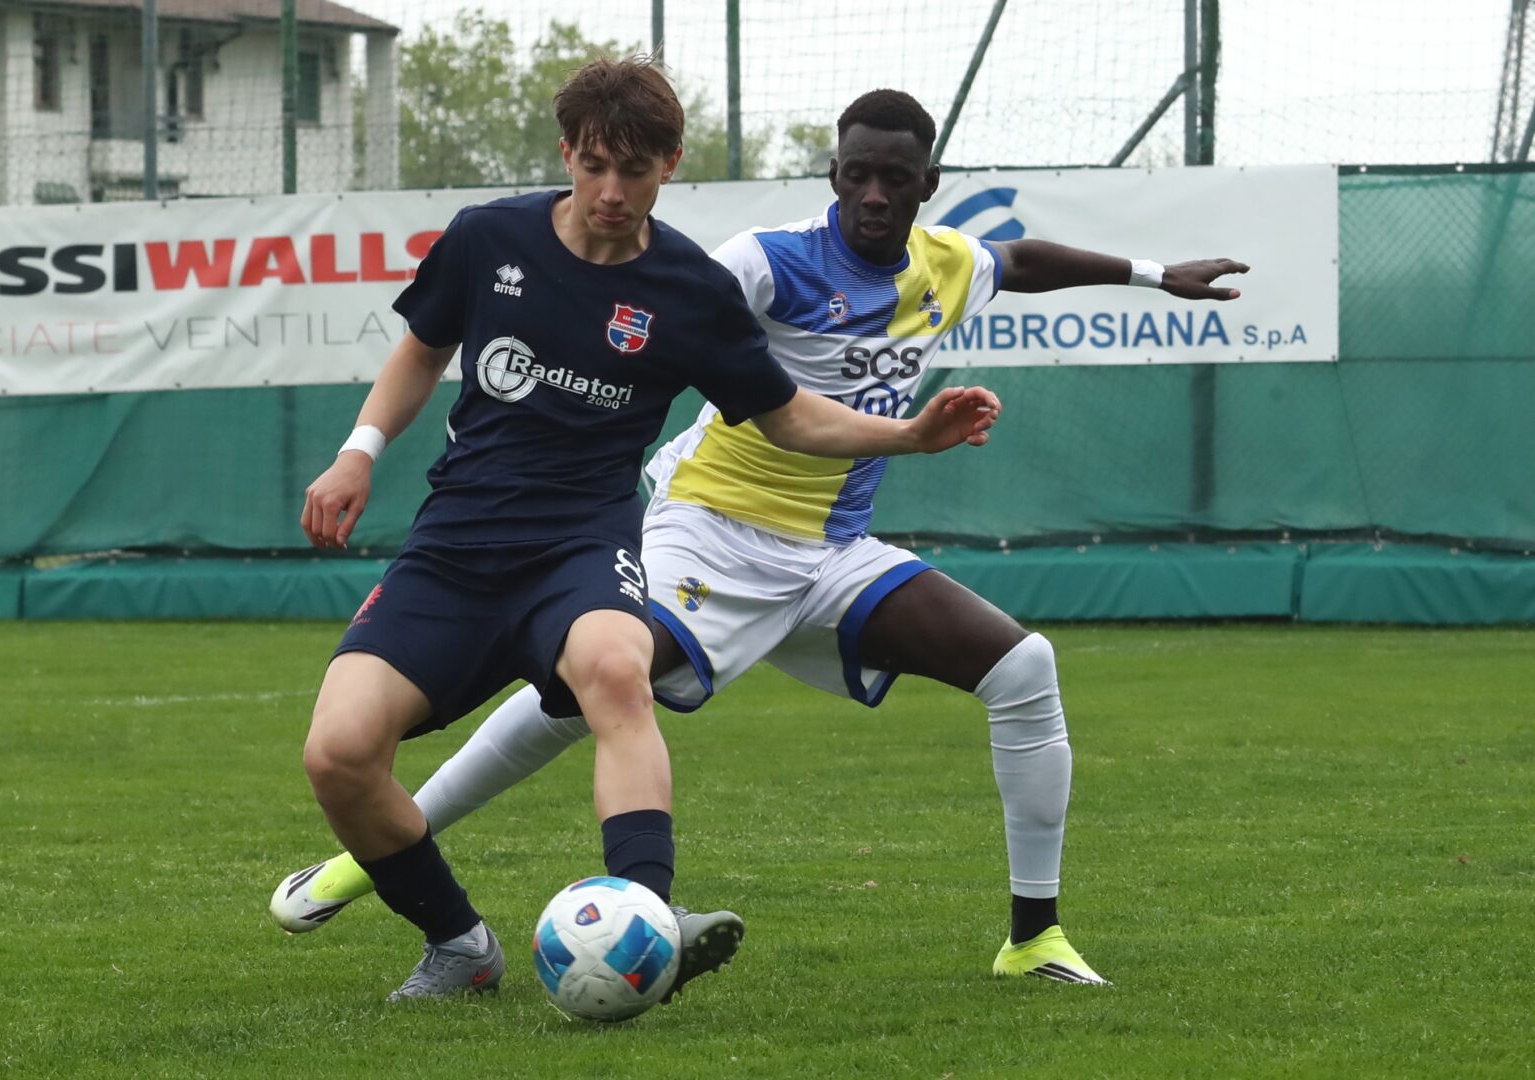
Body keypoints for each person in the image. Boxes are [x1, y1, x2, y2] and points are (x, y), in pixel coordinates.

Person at [275, 87, 1244, 989]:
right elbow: (498, 340)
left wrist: (1156, 276)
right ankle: (378, 857)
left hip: (834, 552)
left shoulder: (941, 264)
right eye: (857, 174)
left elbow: (1017, 264)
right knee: (598, 677)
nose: (874, 195)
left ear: (927, 185)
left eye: (894, 179)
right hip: (708, 534)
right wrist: (368, 448)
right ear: (833, 174)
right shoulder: (751, 263)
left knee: (1023, 667)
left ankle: (1033, 939)